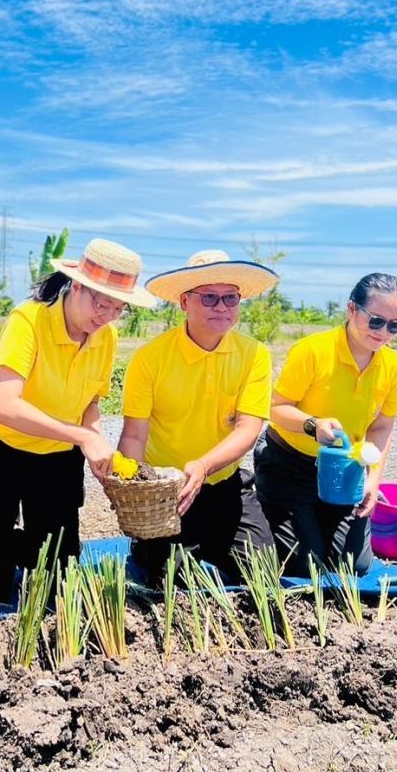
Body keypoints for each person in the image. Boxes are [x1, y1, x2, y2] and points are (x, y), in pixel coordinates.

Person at [0, 238, 156, 604]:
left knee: (57, 581)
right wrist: (82, 436)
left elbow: (90, 404)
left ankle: (17, 548)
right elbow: (4, 405)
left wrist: (97, 446)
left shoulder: (106, 335)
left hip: (56, 458)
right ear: (76, 285)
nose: (107, 315)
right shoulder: (29, 320)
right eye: (101, 303)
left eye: (118, 308)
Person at [118, 250, 277, 585]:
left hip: (224, 483)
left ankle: (213, 544)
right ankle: (148, 548)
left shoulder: (254, 355)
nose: (221, 307)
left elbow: (249, 428)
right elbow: (133, 435)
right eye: (209, 297)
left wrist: (204, 465)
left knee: (263, 574)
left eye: (230, 298)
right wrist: (135, 490)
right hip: (169, 492)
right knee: (168, 580)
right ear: (184, 302)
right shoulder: (150, 359)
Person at [254, 273, 397, 575]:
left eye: (395, 325)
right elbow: (275, 408)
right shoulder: (313, 350)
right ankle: (265, 510)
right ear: (352, 309)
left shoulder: (393, 366)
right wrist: (313, 425)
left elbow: (380, 427)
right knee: (306, 564)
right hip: (290, 466)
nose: (383, 332)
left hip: (345, 471)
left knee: (354, 565)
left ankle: (314, 522)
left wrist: (372, 480)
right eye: (375, 321)